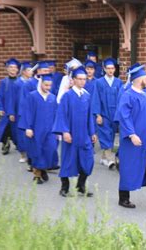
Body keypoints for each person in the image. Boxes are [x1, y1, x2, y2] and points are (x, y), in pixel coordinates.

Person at [114, 63, 146, 209]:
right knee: (128, 167)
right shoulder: (127, 95)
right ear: (138, 79)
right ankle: (123, 198)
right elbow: (124, 117)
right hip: (133, 140)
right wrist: (131, 134)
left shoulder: (144, 94)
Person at [52, 66, 97, 197]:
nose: (83, 81)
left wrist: (92, 132)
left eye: (84, 79)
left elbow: (90, 116)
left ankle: (80, 186)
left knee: (88, 161)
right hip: (71, 135)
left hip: (84, 135)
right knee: (68, 161)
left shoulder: (86, 96)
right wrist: (65, 132)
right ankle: (64, 188)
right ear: (73, 80)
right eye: (80, 79)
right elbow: (61, 115)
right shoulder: (67, 96)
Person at [18, 74, 58, 184]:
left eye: (50, 85)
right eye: (46, 85)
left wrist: (57, 130)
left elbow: (56, 115)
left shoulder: (53, 98)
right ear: (40, 84)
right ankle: (37, 175)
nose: (48, 88)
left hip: (50, 130)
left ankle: (43, 168)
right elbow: (27, 113)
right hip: (36, 129)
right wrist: (28, 127)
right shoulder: (32, 96)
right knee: (37, 151)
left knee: (50, 149)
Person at [92, 57, 123, 169]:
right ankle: (110, 159)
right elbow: (96, 98)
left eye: (112, 68)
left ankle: (104, 158)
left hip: (114, 114)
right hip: (104, 114)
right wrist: (98, 114)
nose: (110, 70)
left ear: (115, 69)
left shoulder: (119, 82)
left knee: (111, 135)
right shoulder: (99, 82)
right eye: (108, 68)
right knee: (105, 135)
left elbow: (121, 100)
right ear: (104, 69)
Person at [0, 58, 20, 155]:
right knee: (5, 128)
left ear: (18, 69)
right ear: (7, 69)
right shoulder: (4, 82)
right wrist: (0, 108)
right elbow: (0, 96)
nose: (13, 69)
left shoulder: (20, 82)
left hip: (17, 109)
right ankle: (5, 145)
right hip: (6, 109)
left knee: (17, 128)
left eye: (15, 67)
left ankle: (19, 144)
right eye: (10, 67)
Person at [13, 61, 33, 163]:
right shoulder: (17, 83)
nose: (31, 72)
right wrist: (11, 112)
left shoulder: (32, 82)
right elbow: (12, 98)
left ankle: (30, 154)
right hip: (19, 111)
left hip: (30, 110)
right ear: (24, 72)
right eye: (29, 70)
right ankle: (23, 154)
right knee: (21, 134)